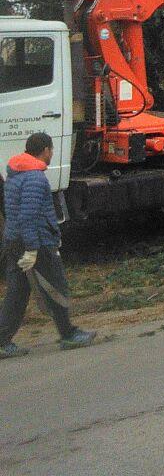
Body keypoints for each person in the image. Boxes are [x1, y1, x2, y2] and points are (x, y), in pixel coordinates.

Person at [1, 133, 95, 357]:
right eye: (51, 150)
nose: (52, 154)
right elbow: (30, 216)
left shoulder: (14, 174)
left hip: (14, 241)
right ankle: (69, 334)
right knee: (56, 286)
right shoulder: (35, 178)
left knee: (17, 292)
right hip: (37, 242)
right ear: (44, 150)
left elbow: (15, 214)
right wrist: (33, 249)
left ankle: (2, 341)